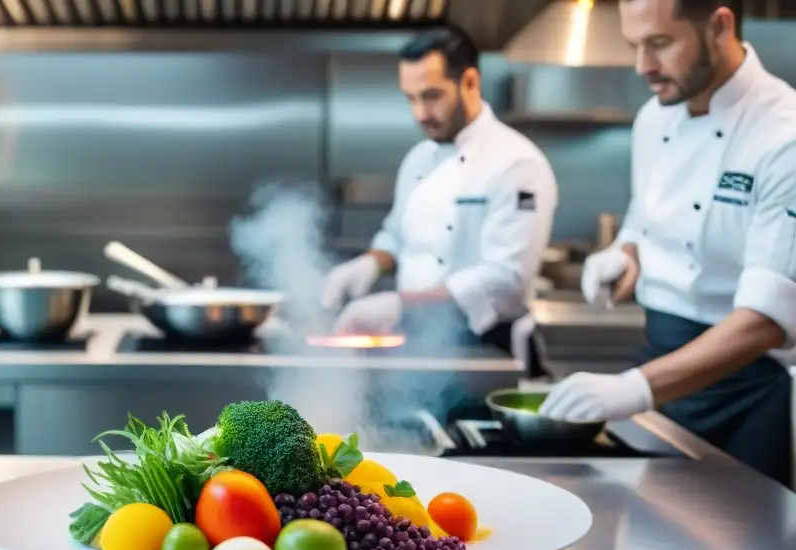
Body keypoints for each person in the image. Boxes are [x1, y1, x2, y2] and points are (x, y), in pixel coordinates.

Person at [539, 0, 796, 488]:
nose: (643, 67)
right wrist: (623, 253)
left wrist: (638, 387)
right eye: (635, 46)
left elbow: (765, 320)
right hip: (659, 362)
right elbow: (644, 220)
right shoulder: (654, 120)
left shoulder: (784, 136)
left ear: (720, 26)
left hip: (743, 390)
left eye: (659, 44)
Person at [320, 27, 558, 376]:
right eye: (410, 98)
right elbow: (396, 234)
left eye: (431, 96)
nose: (420, 113)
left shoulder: (517, 163)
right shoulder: (419, 158)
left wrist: (399, 305)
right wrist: (369, 263)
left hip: (484, 350)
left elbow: (505, 281)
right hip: (417, 343)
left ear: (470, 82)